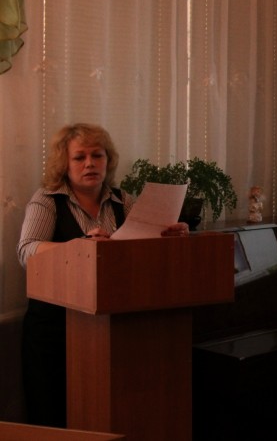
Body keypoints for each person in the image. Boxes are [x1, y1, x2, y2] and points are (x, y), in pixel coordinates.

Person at [17, 123, 189, 427]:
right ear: (64, 163)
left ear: (108, 160)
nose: (90, 163)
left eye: (97, 155)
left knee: (104, 416)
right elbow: (27, 250)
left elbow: (141, 250)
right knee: (54, 417)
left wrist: (168, 237)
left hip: (111, 327)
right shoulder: (47, 199)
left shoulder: (124, 200)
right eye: (79, 157)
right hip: (55, 330)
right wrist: (79, 247)